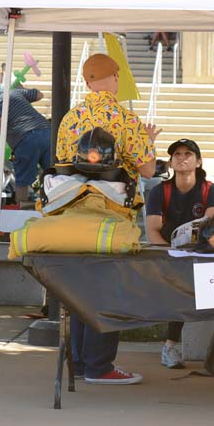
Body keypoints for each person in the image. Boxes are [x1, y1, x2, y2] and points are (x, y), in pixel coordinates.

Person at [57, 53, 159, 385]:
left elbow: (63, 163)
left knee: (80, 289)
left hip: (73, 215)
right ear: (115, 78)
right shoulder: (125, 118)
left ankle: (81, 362)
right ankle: (100, 365)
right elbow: (146, 168)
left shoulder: (69, 119)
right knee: (109, 289)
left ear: (86, 81)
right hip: (113, 218)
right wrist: (149, 143)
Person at [145, 138, 214, 369]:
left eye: (188, 154)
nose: (182, 158)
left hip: (204, 252)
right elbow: (153, 230)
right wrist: (171, 254)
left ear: (198, 162)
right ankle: (170, 345)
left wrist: (196, 254)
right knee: (178, 288)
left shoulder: (212, 191)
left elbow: (211, 230)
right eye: (176, 154)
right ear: (170, 162)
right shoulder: (161, 191)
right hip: (170, 253)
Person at [0, 84, 50, 201]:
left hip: (24, 138)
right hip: (46, 131)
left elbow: (1, 126)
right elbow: (39, 95)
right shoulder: (14, 92)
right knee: (52, 175)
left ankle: (22, 211)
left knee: (22, 183)